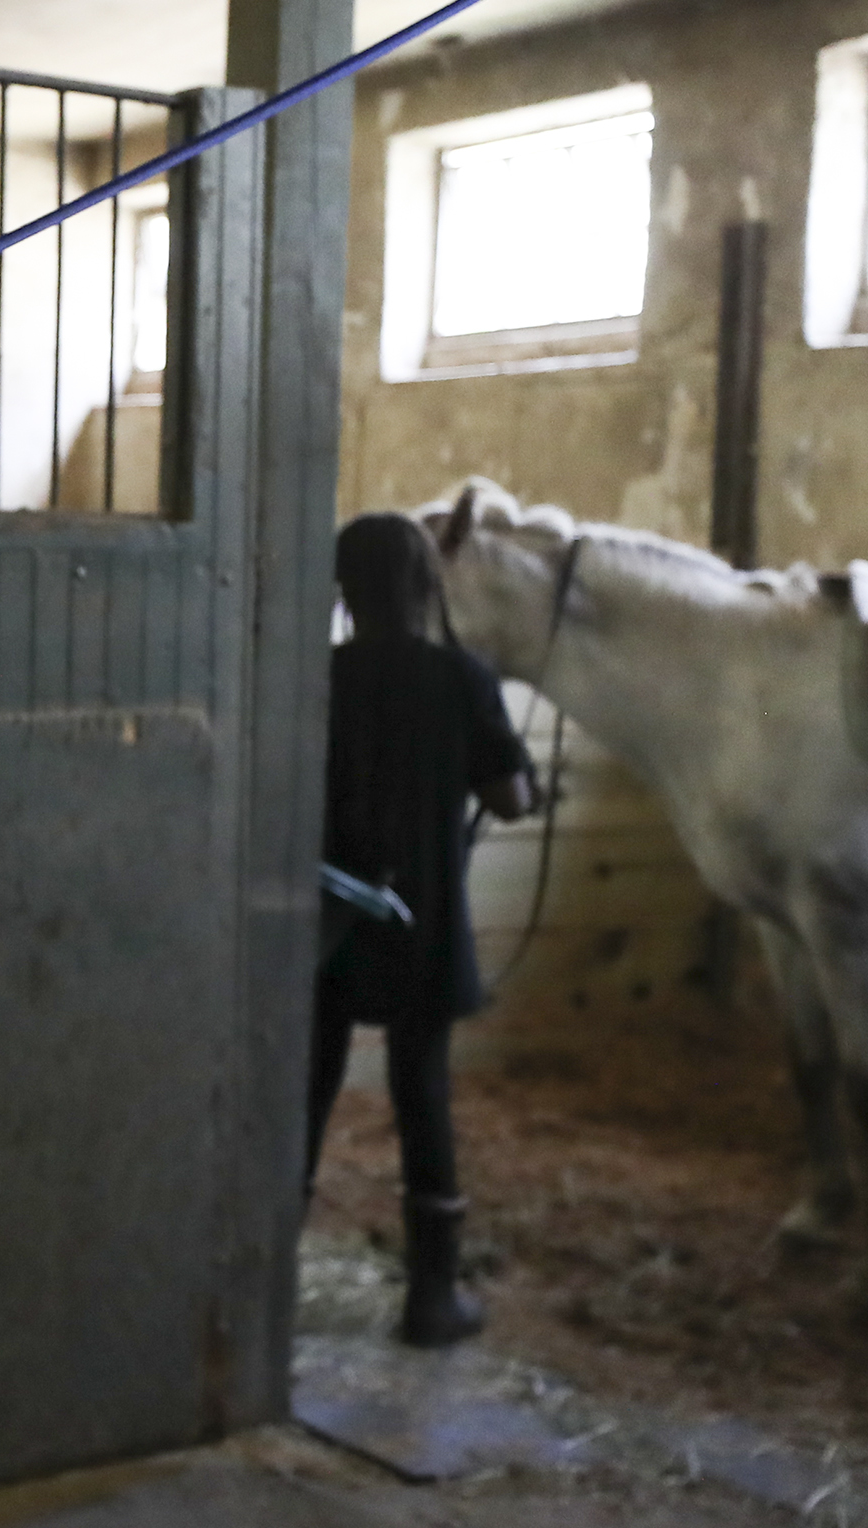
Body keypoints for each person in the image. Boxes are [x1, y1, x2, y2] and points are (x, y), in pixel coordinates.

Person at [307, 512, 535, 1348]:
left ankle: (267, 1287)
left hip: (327, 922)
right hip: (425, 923)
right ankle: (432, 1297)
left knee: (304, 1097)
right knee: (423, 1098)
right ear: (422, 587)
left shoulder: (318, 677)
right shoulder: (461, 678)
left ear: (344, 592)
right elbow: (510, 797)